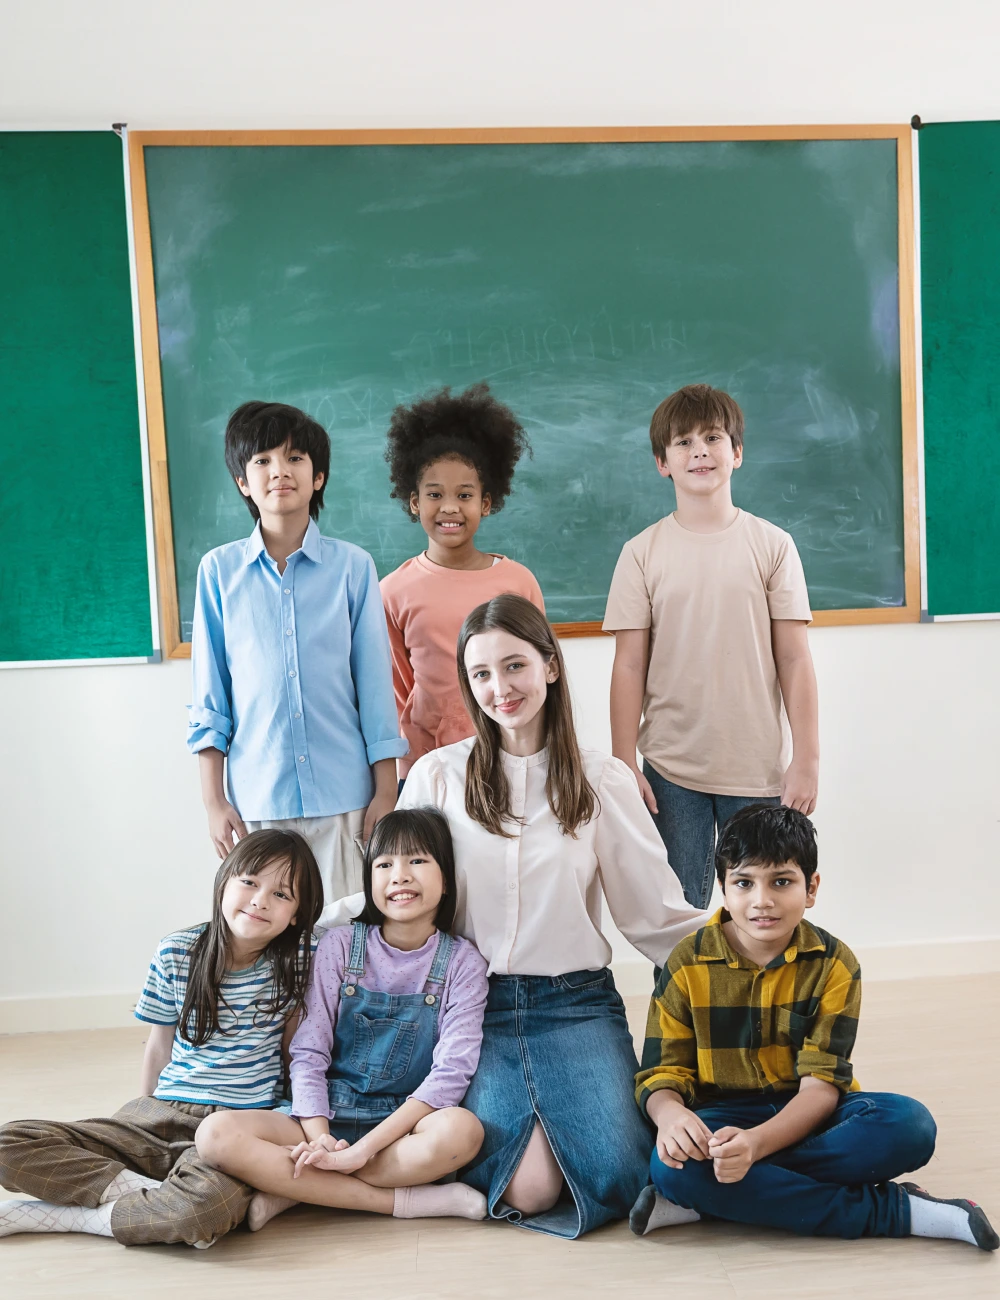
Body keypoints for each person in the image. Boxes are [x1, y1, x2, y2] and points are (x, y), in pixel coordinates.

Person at [322, 594, 705, 1239]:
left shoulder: (601, 780)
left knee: (617, 1172)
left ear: (550, 666)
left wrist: (754, 941)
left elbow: (656, 916)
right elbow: (395, 889)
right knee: (526, 1190)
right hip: (472, 1009)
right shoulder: (439, 776)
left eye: (515, 666)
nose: (500, 688)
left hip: (575, 1004)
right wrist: (293, 925)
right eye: (481, 674)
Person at [631, 805, 998, 1251]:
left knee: (910, 1125)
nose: (761, 900)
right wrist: (671, 1115)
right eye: (744, 883)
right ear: (723, 891)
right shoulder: (686, 962)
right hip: (720, 1119)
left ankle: (710, 1200)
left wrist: (757, 1146)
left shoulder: (834, 963)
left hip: (809, 1113)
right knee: (671, 1165)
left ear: (811, 888)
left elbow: (821, 1087)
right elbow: (661, 1074)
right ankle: (899, 1212)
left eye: (781, 881)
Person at [0, 831, 323, 1248]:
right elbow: (159, 1045)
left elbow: (295, 1053)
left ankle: (61, 1217)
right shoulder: (177, 951)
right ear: (223, 881)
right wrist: (139, 1115)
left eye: (281, 894)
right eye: (249, 881)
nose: (260, 899)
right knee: (10, 1143)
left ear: (297, 914)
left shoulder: (304, 958)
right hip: (164, 1109)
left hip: (236, 1126)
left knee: (206, 1209)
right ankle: (151, 1199)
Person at [195, 808, 489, 1227]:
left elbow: (450, 1075)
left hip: (401, 1126)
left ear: (447, 880)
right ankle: (401, 1202)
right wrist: (322, 1141)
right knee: (215, 1134)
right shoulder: (339, 945)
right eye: (384, 864)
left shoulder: (463, 963)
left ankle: (299, 1190)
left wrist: (361, 1150)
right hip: (322, 1114)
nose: (400, 876)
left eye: (417, 861)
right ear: (369, 881)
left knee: (462, 1132)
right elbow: (309, 1052)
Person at [604, 383, 819, 910]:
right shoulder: (641, 553)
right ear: (663, 462)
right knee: (676, 910)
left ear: (737, 452)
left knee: (762, 908)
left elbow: (794, 658)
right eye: (683, 442)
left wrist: (808, 757)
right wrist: (622, 762)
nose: (700, 450)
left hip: (758, 767)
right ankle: (678, 995)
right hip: (671, 770)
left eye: (714, 437)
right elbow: (629, 666)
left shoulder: (772, 545)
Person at [188, 401, 407, 904]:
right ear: (243, 482)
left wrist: (385, 792)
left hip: (345, 797)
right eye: (262, 460)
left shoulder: (353, 568)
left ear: (319, 476)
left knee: (344, 936)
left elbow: (375, 688)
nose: (279, 471)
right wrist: (213, 800)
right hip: (258, 798)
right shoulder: (218, 573)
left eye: (294, 458)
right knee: (270, 943)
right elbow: (210, 698)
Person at [381, 383, 544, 789]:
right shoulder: (393, 591)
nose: (450, 506)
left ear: (486, 503)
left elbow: (541, 674)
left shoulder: (517, 581)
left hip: (512, 763)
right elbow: (399, 690)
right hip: (428, 770)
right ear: (414, 501)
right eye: (434, 494)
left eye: (465, 495)